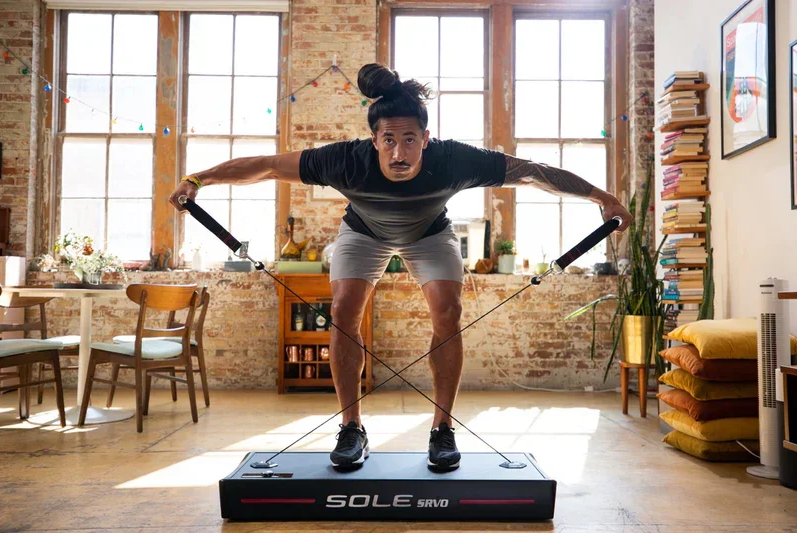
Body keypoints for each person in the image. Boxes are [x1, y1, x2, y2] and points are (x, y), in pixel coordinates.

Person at [170, 63, 632, 470]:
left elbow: (532, 171)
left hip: (429, 234)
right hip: (363, 234)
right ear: (374, 139)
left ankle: (442, 431)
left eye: (409, 139)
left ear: (425, 140)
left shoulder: (454, 159)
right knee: (344, 311)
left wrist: (602, 196)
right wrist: (198, 179)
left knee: (448, 312)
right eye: (388, 140)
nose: (398, 152)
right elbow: (268, 166)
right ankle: (351, 429)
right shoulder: (344, 159)